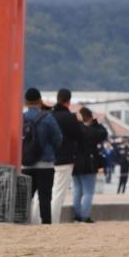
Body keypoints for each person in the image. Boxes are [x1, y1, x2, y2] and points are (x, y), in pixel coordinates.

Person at [21, 87, 63, 225]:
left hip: (26, 164)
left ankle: (24, 222)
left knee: (26, 197)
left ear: (25, 102)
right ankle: (46, 224)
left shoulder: (21, 118)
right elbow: (58, 138)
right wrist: (50, 150)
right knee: (45, 197)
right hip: (45, 164)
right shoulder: (47, 117)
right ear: (40, 101)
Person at [51, 88, 82, 225]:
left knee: (43, 192)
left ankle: (38, 219)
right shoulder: (70, 118)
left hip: (48, 158)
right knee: (58, 193)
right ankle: (53, 221)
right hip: (65, 158)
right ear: (68, 101)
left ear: (57, 98)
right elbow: (79, 136)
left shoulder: (49, 115)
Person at [72, 106, 107, 222]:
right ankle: (85, 216)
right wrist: (96, 123)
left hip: (75, 162)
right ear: (90, 118)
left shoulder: (74, 129)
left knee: (77, 190)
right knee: (88, 191)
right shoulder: (90, 131)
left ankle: (77, 215)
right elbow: (103, 134)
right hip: (88, 163)